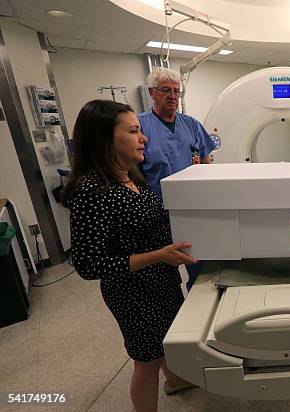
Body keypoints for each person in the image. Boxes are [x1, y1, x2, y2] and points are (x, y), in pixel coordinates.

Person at [63, 100, 199, 412]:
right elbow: (88, 264)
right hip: (132, 292)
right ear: (107, 139)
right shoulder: (91, 191)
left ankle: (176, 380)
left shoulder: (131, 178)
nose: (144, 138)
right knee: (147, 361)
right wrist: (157, 256)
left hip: (162, 281)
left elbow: (154, 223)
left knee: (167, 341)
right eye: (134, 131)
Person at [138, 67, 215, 290]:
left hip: (194, 210)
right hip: (157, 214)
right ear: (151, 93)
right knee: (162, 275)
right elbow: (134, 175)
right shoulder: (140, 126)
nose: (172, 96)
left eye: (176, 91)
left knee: (199, 267)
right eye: (165, 90)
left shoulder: (192, 125)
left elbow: (207, 164)